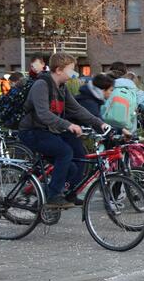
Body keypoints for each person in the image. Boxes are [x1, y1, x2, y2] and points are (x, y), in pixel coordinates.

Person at [18, 52, 110, 208]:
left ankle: (59, 195)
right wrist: (68, 125)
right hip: (32, 131)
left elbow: (76, 109)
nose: (73, 74)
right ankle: (53, 196)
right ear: (59, 70)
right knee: (65, 152)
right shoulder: (41, 85)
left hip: (49, 130)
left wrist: (99, 123)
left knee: (76, 159)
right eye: (71, 70)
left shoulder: (62, 88)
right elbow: (43, 114)